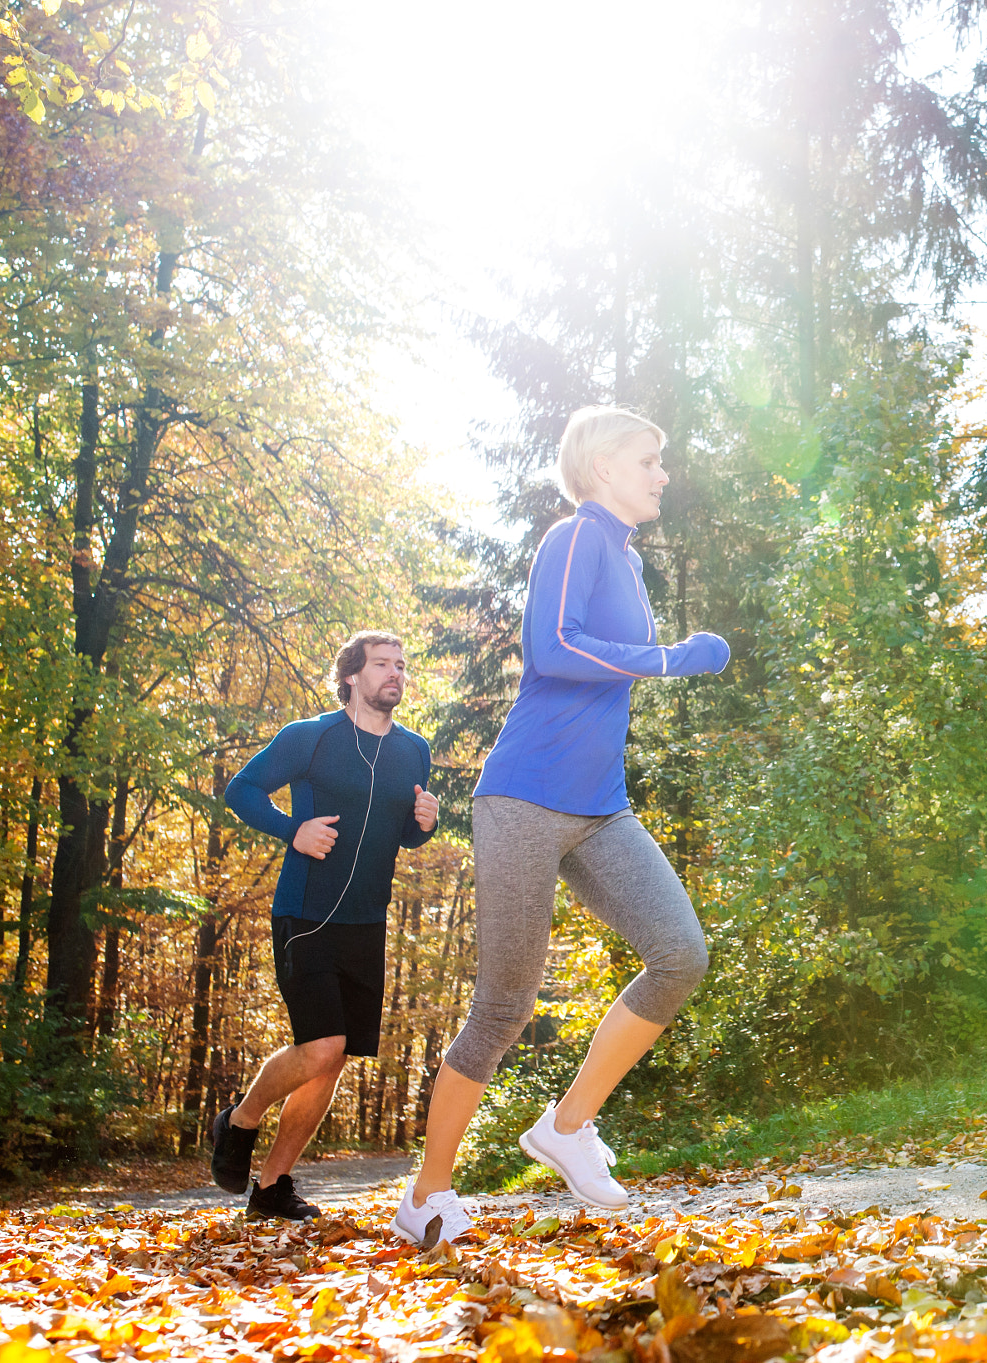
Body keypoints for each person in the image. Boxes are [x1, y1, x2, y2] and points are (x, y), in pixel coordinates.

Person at [392, 406, 728, 1248]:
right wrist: (671, 656)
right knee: (503, 1007)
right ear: (605, 465)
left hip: (600, 803)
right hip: (525, 798)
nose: (661, 473)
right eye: (650, 459)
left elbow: (604, 661)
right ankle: (426, 1195)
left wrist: (662, 654)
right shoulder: (574, 537)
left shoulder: (625, 557)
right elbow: (553, 649)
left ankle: (567, 1126)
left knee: (680, 953)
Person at [212, 632, 439, 1219]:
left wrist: (424, 823)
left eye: (401, 666)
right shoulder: (309, 737)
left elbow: (405, 834)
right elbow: (242, 789)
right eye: (383, 664)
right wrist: (293, 830)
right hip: (305, 914)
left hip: (368, 921)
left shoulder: (414, 751)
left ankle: (270, 1188)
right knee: (322, 1046)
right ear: (352, 675)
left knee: (334, 1058)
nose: (395, 674)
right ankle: (238, 1120)